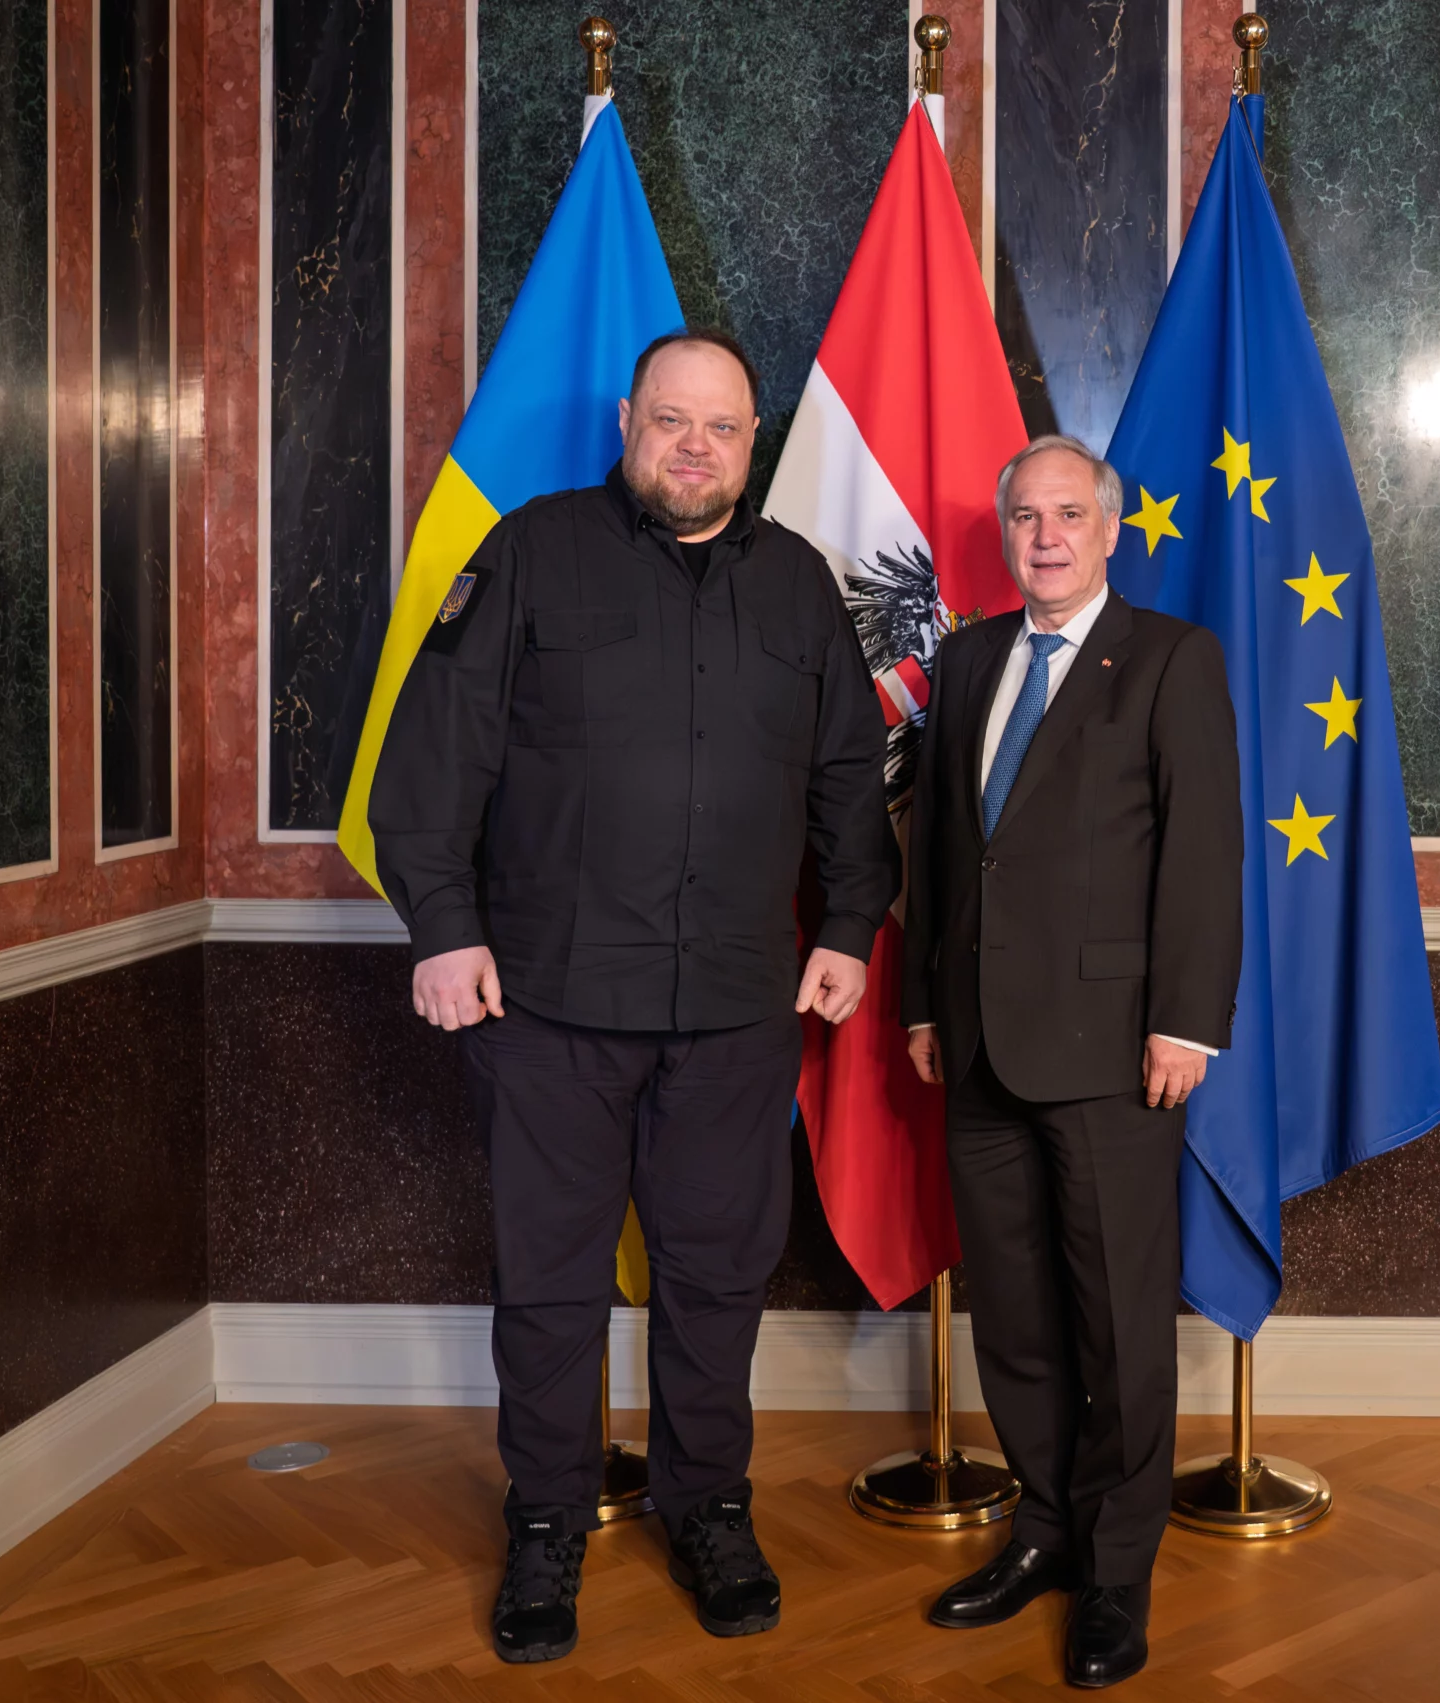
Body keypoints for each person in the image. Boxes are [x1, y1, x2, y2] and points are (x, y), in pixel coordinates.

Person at [369, 328, 897, 1665]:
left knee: (717, 1280)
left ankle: (707, 1507)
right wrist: (443, 929)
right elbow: (431, 756)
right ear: (627, 422)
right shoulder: (532, 551)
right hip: (547, 1006)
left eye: (721, 427)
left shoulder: (798, 584)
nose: (695, 447)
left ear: (752, 439)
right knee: (551, 1285)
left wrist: (848, 923)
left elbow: (850, 774)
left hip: (734, 1006)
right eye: (672, 420)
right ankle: (547, 1520)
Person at [902, 435, 1243, 1689]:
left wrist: (1185, 1021)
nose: (1044, 536)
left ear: (1108, 529)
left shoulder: (1168, 658)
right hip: (977, 1042)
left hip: (1113, 1047)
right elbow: (941, 850)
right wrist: (923, 1007)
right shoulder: (967, 658)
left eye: (1067, 515)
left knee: (1115, 1321)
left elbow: (1203, 849)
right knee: (1016, 1315)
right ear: (1005, 532)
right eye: (1025, 517)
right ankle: (1043, 1529)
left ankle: (1116, 1568)